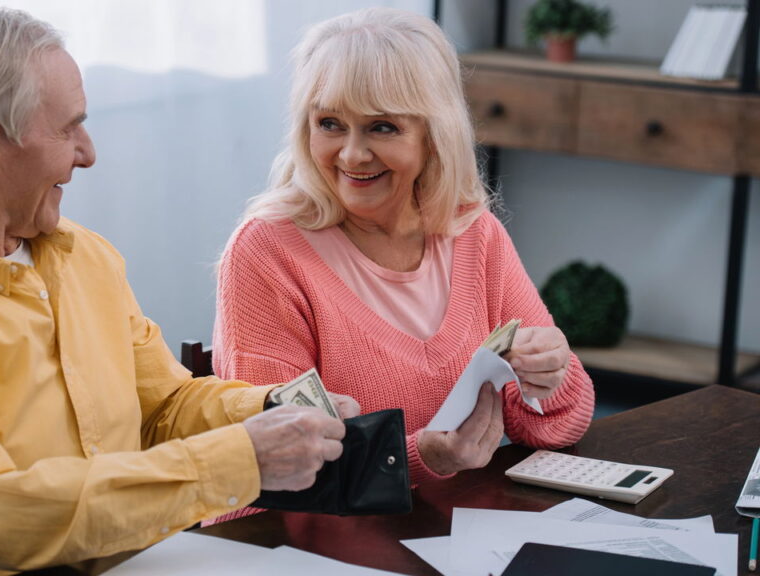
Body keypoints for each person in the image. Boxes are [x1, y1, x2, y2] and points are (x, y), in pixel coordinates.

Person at [0, 7, 359, 575]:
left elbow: (164, 408)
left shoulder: (85, 257)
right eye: (67, 127)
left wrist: (272, 410)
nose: (88, 152)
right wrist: (241, 459)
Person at [211, 7, 594, 521]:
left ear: (432, 135)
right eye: (329, 123)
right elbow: (275, 476)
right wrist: (421, 458)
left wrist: (551, 375)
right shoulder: (267, 253)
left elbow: (555, 429)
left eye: (381, 128)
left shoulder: (473, 233)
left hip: (446, 533)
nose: (351, 155)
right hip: (302, 546)